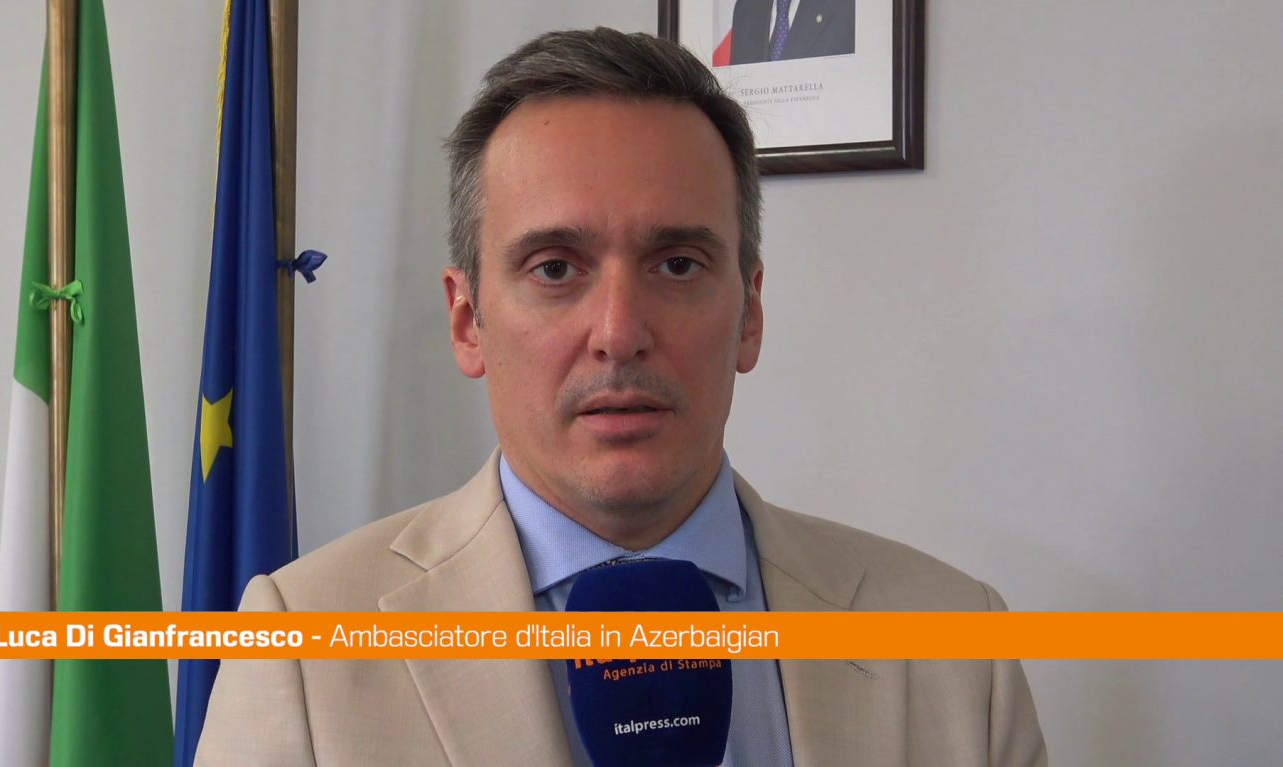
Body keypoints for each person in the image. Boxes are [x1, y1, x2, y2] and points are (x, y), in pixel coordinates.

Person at [195, 27, 1047, 766]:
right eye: (554, 268)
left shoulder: (957, 645)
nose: (619, 330)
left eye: (677, 264)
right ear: (467, 321)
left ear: (749, 314)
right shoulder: (297, 651)